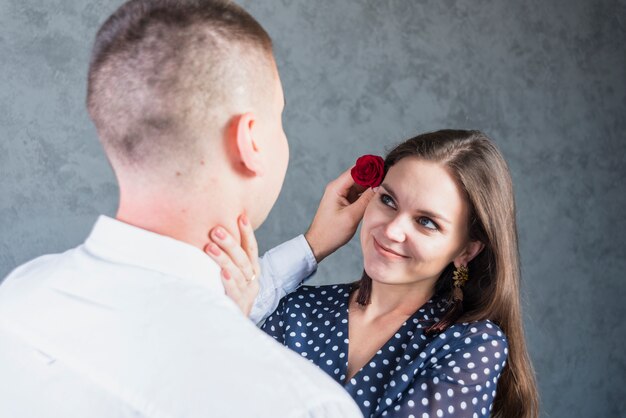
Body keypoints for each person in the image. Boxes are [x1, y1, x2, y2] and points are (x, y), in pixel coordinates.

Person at [0, 1, 365, 416]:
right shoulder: (302, 404)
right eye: (278, 117)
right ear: (251, 141)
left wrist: (307, 250)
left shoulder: (18, 295)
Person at [209, 130, 540, 418]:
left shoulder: (470, 345)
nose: (392, 229)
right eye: (388, 201)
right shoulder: (296, 310)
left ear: (466, 251)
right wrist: (315, 243)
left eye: (426, 222)